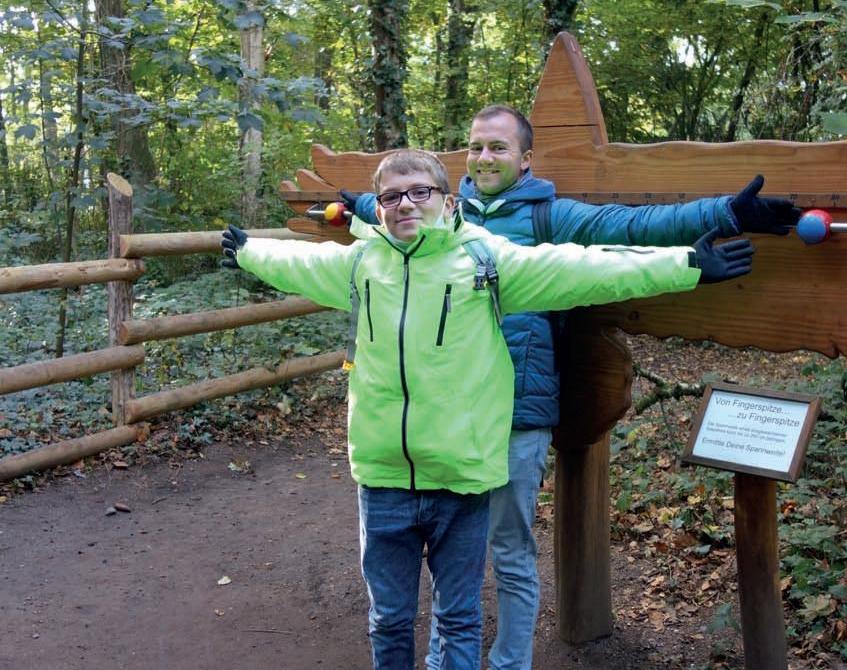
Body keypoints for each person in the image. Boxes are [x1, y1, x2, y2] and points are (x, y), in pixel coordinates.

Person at [221, 149, 761, 670]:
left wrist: (686, 263)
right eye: (391, 196)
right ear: (378, 207)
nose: (405, 204)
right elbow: (300, 260)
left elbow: (584, 268)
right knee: (388, 620)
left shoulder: (485, 261)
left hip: (460, 478)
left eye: (419, 192)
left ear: (448, 201)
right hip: (383, 477)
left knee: (458, 618)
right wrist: (247, 251)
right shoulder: (361, 263)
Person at [340, 107, 800, 670]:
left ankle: (509, 663)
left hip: (518, 410)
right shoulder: (436, 211)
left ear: (525, 159)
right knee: (447, 554)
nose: (484, 157)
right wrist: (356, 204)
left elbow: (628, 226)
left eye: (499, 148)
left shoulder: (548, 216)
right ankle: (443, 661)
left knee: (510, 550)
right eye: (476, 146)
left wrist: (725, 213)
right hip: (449, 423)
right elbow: (385, 217)